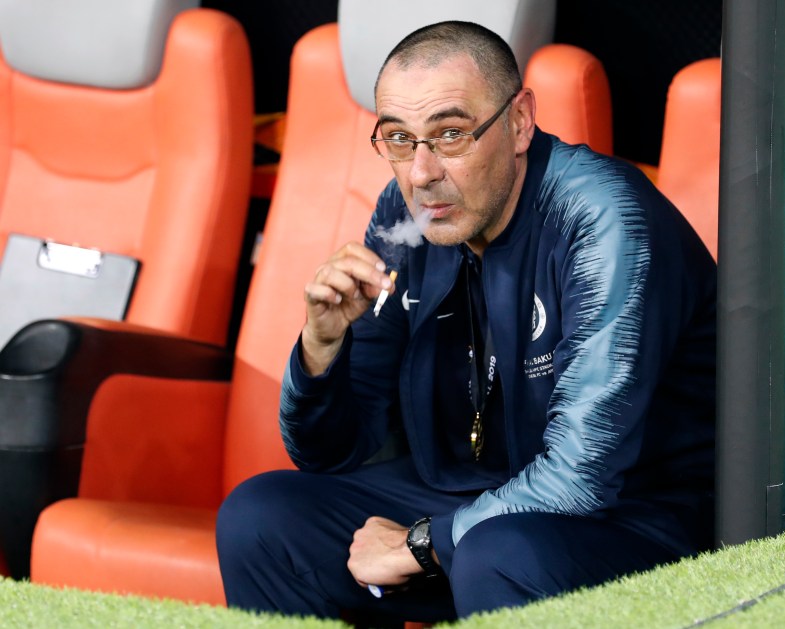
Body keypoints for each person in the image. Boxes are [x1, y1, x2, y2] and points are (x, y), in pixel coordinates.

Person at [216, 20, 716, 625]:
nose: (422, 172)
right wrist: (321, 349)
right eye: (399, 139)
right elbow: (330, 453)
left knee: (494, 554)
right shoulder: (407, 215)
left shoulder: (605, 218)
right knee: (263, 518)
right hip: (471, 499)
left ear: (519, 122)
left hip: (635, 523)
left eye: (450, 134)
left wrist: (422, 543)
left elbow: (583, 477)